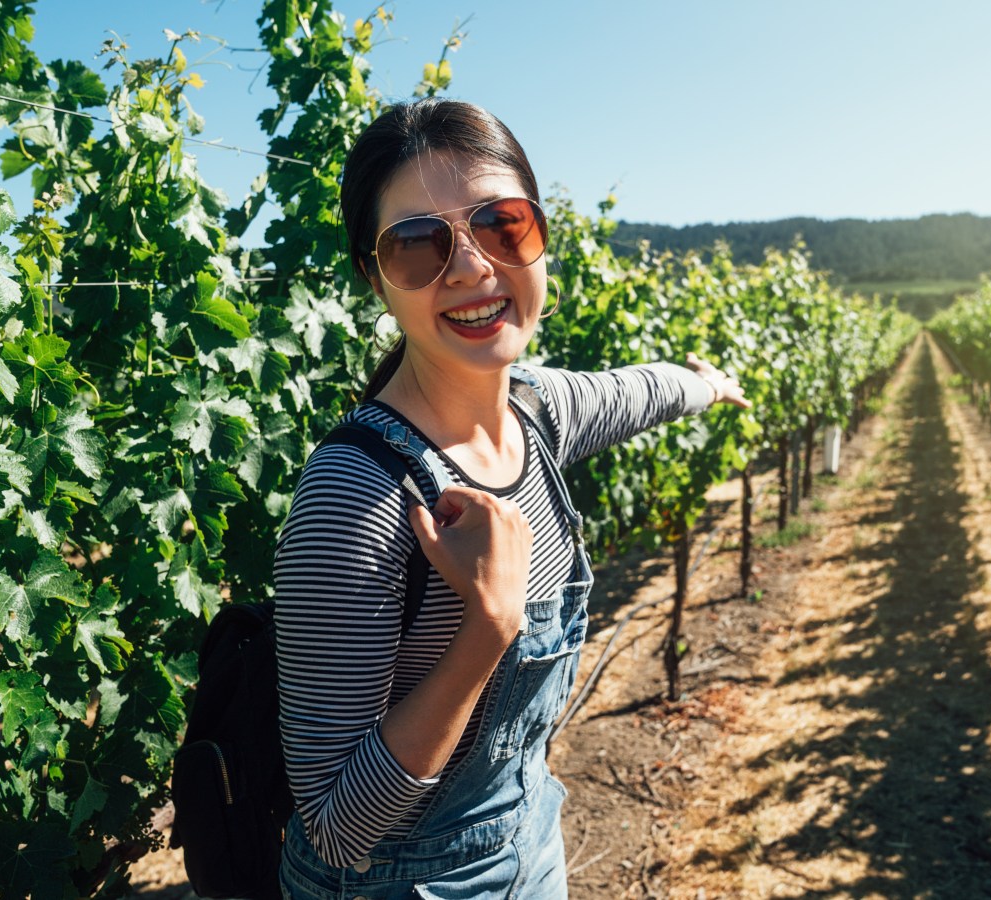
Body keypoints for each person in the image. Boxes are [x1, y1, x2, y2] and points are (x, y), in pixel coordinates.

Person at [272, 98, 749, 899]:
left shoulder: (538, 407)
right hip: (401, 882)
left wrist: (701, 384)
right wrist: (487, 627)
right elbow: (337, 825)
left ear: (540, 237)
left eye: (503, 224)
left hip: (529, 833)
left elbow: (634, 392)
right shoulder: (357, 498)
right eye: (417, 245)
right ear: (373, 277)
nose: (468, 267)